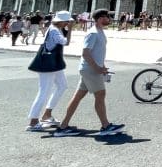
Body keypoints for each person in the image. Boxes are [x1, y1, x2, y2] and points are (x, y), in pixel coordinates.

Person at [53, 9, 124, 137]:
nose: (110, 19)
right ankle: (106, 126)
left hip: (90, 69)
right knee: (100, 95)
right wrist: (97, 68)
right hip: (90, 70)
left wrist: (103, 66)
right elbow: (86, 53)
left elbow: (96, 52)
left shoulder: (100, 31)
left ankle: (63, 126)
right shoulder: (93, 33)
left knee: (77, 97)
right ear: (101, 18)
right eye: (108, 17)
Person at [26, 12, 71, 131]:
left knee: (62, 86)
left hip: (55, 63)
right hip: (48, 64)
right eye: (67, 21)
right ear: (60, 21)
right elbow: (65, 42)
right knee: (44, 91)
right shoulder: (54, 30)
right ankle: (33, 121)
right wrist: (70, 29)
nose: (68, 23)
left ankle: (47, 113)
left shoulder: (57, 28)